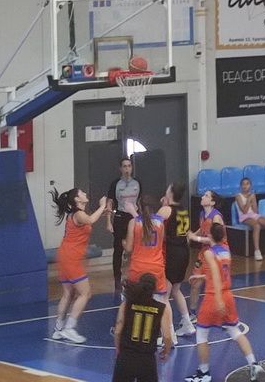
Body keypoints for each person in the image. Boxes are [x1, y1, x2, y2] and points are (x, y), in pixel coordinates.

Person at [185, 223, 262, 382]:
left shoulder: (209, 253)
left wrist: (218, 299)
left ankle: (204, 373)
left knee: (201, 334)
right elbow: (220, 273)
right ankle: (253, 363)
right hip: (228, 295)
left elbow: (215, 273)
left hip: (214, 296)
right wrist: (202, 277)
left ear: (210, 235)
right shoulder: (226, 250)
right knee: (235, 332)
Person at [50, 187, 107, 343]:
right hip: (71, 257)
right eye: (82, 193)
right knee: (85, 293)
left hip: (64, 255)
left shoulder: (76, 214)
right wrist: (102, 205)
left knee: (68, 293)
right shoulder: (79, 214)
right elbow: (90, 220)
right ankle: (69, 328)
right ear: (77, 199)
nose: (85, 194)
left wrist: (102, 211)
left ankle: (58, 329)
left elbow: (89, 220)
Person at [123, 195, 177, 345]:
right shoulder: (160, 223)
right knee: (162, 301)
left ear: (139, 207)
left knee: (132, 301)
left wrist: (123, 243)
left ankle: (132, 333)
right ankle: (170, 335)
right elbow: (161, 241)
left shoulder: (134, 222)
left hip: (138, 267)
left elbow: (129, 248)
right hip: (156, 266)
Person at [113, 273, 173, 382]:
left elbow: (117, 331)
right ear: (154, 289)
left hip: (126, 356)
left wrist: (118, 349)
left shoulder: (126, 304)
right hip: (147, 359)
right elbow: (167, 336)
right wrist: (166, 351)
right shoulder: (161, 308)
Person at [183, 190, 225, 330]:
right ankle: (193, 313)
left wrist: (196, 238)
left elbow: (217, 240)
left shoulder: (216, 218)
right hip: (204, 252)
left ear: (212, 202)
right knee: (195, 282)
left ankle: (222, 313)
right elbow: (202, 230)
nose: (202, 197)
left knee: (214, 284)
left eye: (206, 196)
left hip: (217, 252)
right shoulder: (202, 214)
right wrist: (191, 235)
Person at [161, 183, 196, 337]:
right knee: (176, 290)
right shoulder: (183, 209)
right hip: (184, 251)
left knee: (164, 296)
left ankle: (169, 334)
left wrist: (163, 206)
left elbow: (153, 225)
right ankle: (187, 323)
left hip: (172, 253)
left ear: (170, 193)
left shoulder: (166, 210)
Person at [107, 157, 142, 291]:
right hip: (120, 216)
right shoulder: (115, 184)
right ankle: (117, 278)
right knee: (118, 249)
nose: (127, 169)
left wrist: (142, 219)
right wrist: (108, 221)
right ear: (121, 168)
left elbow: (139, 202)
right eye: (124, 166)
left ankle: (135, 276)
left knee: (135, 246)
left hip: (133, 216)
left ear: (132, 168)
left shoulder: (137, 183)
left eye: (129, 166)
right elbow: (109, 203)